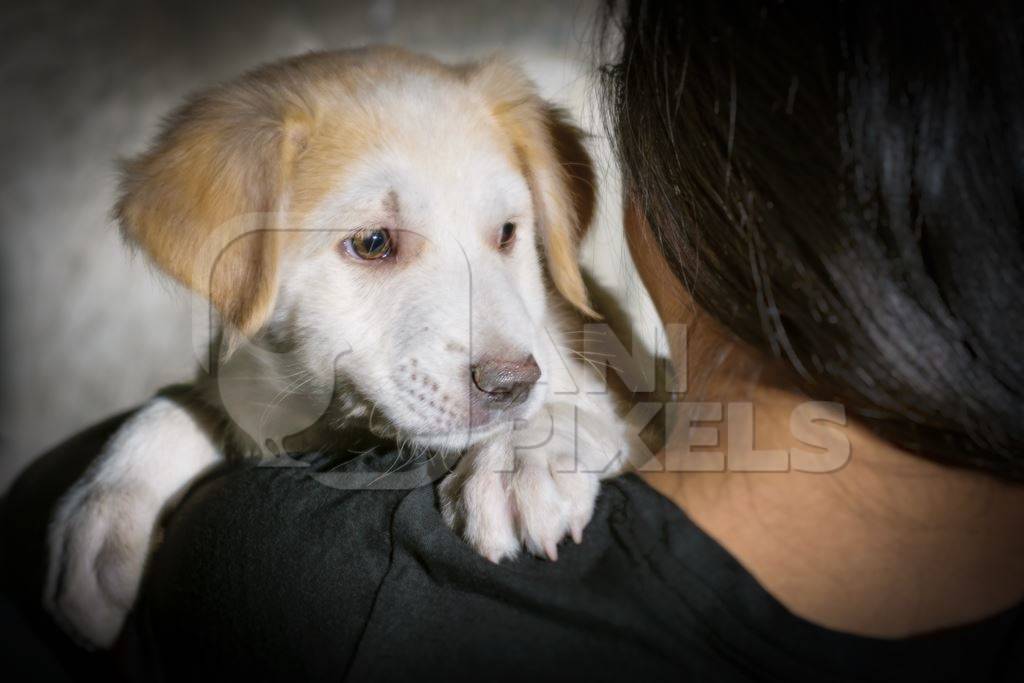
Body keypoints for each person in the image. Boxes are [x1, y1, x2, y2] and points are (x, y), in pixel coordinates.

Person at [2, 1, 1021, 680]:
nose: (504, 344)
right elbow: (254, 398)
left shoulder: (319, 592)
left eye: (506, 233)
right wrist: (162, 442)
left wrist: (544, 430)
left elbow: (597, 402)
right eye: (372, 242)